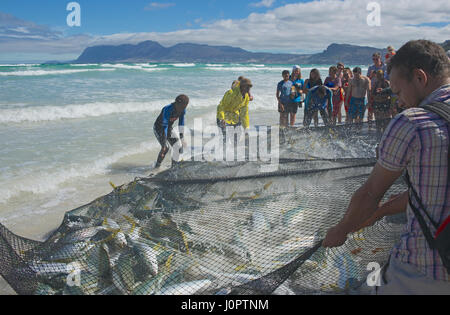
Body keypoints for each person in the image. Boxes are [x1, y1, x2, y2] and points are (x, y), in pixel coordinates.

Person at [323, 40, 450, 294]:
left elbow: (370, 192)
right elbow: (434, 189)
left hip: (425, 269)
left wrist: (340, 231)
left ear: (419, 77)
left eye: (399, 91)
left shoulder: (413, 123)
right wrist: (380, 213)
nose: (400, 101)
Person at [153, 95, 189, 168]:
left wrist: (182, 138)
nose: (183, 109)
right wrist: (163, 143)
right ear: (177, 104)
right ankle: (156, 167)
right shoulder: (167, 109)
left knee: (178, 147)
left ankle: (173, 167)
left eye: (184, 107)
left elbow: (181, 124)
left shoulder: (183, 110)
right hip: (159, 128)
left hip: (168, 128)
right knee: (165, 148)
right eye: (182, 107)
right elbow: (164, 126)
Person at [367, 52, 388, 123]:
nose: (375, 61)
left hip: (383, 89)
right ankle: (371, 127)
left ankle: (384, 125)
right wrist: (371, 76)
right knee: (371, 109)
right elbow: (368, 79)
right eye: (374, 59)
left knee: (385, 110)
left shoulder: (385, 67)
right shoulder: (371, 67)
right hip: (373, 90)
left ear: (380, 58)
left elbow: (387, 78)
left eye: (377, 59)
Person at [371, 69, 392, 134]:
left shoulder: (386, 83)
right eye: (378, 75)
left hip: (385, 102)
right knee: (378, 121)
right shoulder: (375, 83)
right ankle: (378, 135)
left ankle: (385, 134)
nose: (379, 77)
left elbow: (390, 94)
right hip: (377, 103)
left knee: (386, 121)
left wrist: (391, 105)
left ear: (383, 75)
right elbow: (372, 93)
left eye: (380, 75)